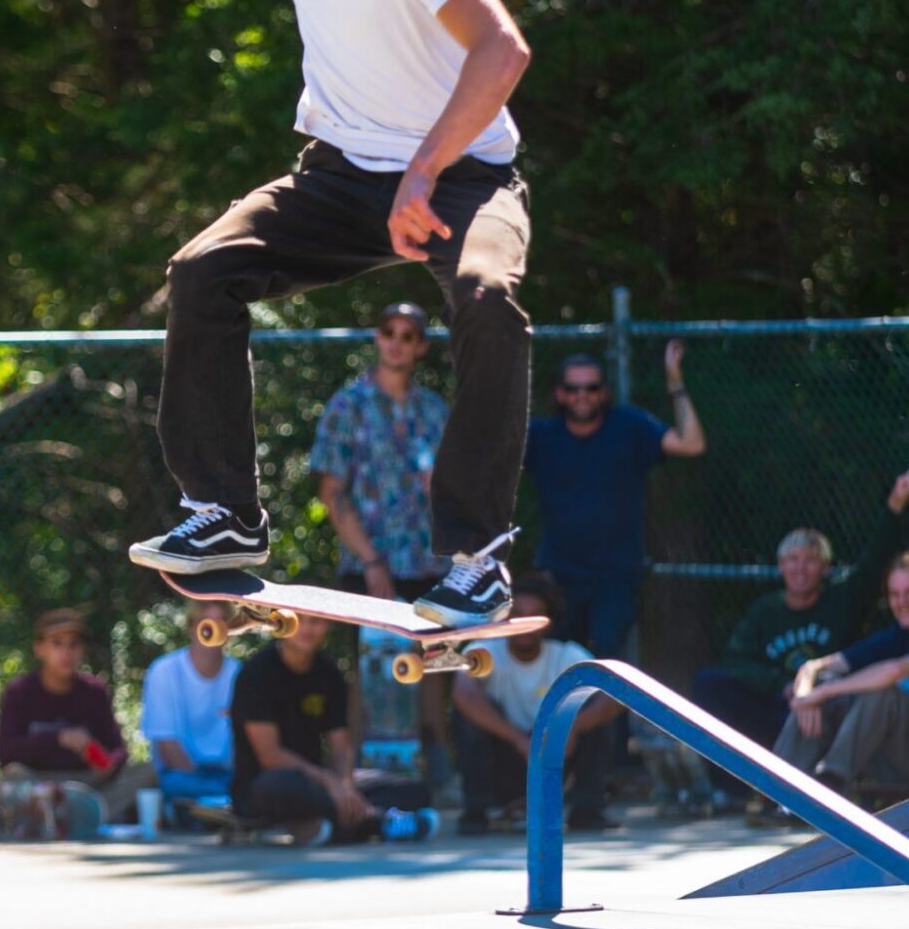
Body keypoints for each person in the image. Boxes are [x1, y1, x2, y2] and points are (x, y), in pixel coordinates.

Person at [129, 0, 535, 632]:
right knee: (204, 271)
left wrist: (425, 171)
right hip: (342, 175)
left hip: (459, 177)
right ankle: (227, 515)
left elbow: (502, 52)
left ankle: (477, 558)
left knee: (487, 302)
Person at [311, 299, 454, 771]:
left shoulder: (435, 411)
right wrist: (371, 561)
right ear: (377, 338)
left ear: (421, 347)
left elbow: (456, 490)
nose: (396, 341)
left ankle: (436, 766)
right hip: (368, 564)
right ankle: (354, 775)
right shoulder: (346, 406)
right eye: (388, 331)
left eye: (407, 334)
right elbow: (333, 493)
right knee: (369, 667)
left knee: (431, 663)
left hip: (430, 560)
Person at [688, 466, 909, 749]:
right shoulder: (765, 610)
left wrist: (895, 505)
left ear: (825, 568)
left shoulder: (841, 600)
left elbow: (874, 563)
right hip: (779, 705)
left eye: (810, 560)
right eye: (793, 559)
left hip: (828, 705)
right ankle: (732, 784)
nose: (801, 568)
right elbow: (736, 662)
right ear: (781, 565)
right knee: (708, 683)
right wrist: (782, 686)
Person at [522, 342, 708, 658]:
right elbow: (486, 457)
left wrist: (675, 382)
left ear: (603, 393)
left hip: (616, 576)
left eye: (591, 387)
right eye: (573, 388)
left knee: (605, 657)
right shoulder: (540, 437)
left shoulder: (630, 427)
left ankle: (612, 710)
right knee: (557, 658)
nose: (582, 395)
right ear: (560, 394)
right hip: (559, 575)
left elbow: (691, 444)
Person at [775, 552, 909, 800]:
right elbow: (817, 666)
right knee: (826, 685)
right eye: (894, 594)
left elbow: (893, 671)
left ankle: (830, 784)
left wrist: (822, 692)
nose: (902, 602)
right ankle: (778, 789)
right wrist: (809, 692)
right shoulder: (897, 635)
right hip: (898, 759)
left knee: (882, 693)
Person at [231, 611, 436, 844]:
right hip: (269, 785)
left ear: (327, 624)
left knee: (415, 791)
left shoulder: (328, 673)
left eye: (316, 621)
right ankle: (379, 822)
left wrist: (346, 787)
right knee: (279, 788)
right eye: (299, 621)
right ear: (280, 624)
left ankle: (324, 828)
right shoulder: (256, 674)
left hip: (320, 782)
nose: (307, 628)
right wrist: (331, 784)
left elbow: (341, 747)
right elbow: (270, 756)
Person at [450, 574, 622, 834]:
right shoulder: (485, 652)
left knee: (597, 715)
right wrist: (518, 739)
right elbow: (462, 693)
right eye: (517, 614)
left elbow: (614, 696)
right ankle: (476, 811)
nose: (524, 624)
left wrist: (571, 728)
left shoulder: (566, 654)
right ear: (504, 618)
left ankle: (587, 809)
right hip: (506, 757)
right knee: (467, 718)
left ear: (548, 622)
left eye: (534, 615)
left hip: (557, 758)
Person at [0, 607, 157, 826]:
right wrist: (58, 739)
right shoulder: (20, 692)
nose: (66, 653)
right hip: (42, 784)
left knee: (147, 771)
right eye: (57, 643)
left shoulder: (95, 692)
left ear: (82, 650)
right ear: (39, 648)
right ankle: (80, 818)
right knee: (13, 775)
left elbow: (118, 749)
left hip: (88, 783)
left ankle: (69, 818)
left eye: (73, 644)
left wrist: (108, 763)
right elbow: (6, 752)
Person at [142, 599, 241, 807]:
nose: (213, 630)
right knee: (175, 784)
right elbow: (167, 747)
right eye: (205, 622)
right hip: (181, 776)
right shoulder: (164, 670)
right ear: (191, 627)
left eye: (222, 622)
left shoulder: (240, 674)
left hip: (227, 775)